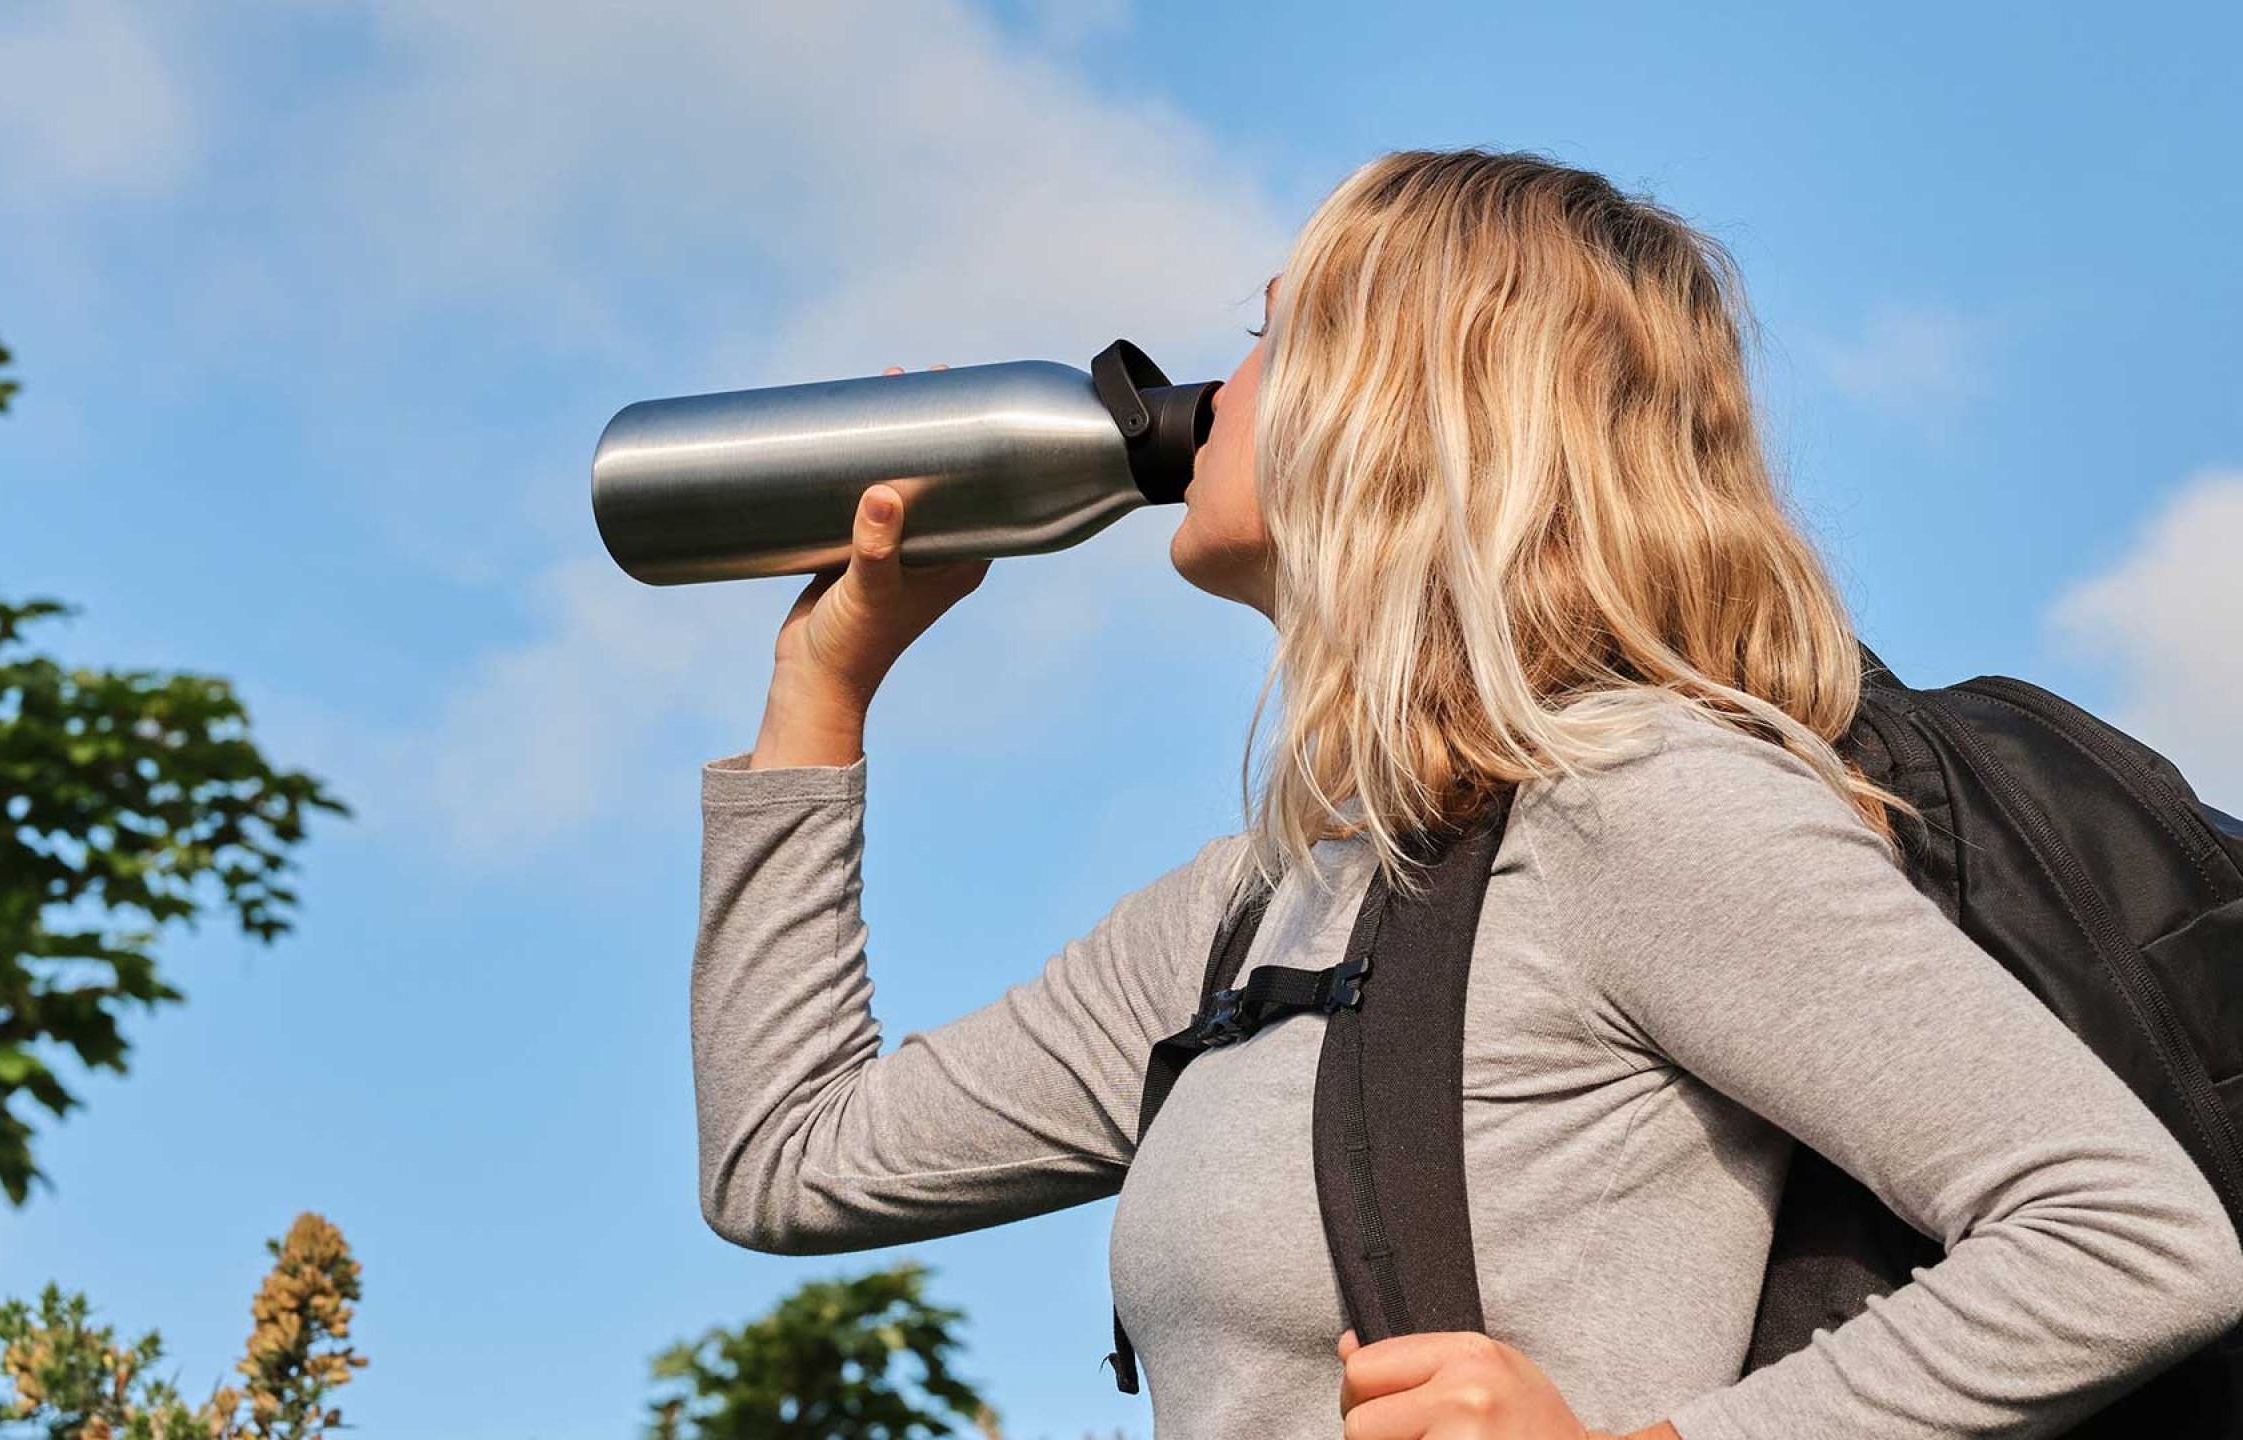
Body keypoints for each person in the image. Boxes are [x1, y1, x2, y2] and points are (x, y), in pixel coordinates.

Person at [686, 148, 2243, 1440]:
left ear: (1412, 403)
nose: (1214, 393)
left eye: (1271, 335)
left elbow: (2127, 1238)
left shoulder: (1638, 807)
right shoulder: (1254, 910)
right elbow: (788, 1161)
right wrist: (824, 689)